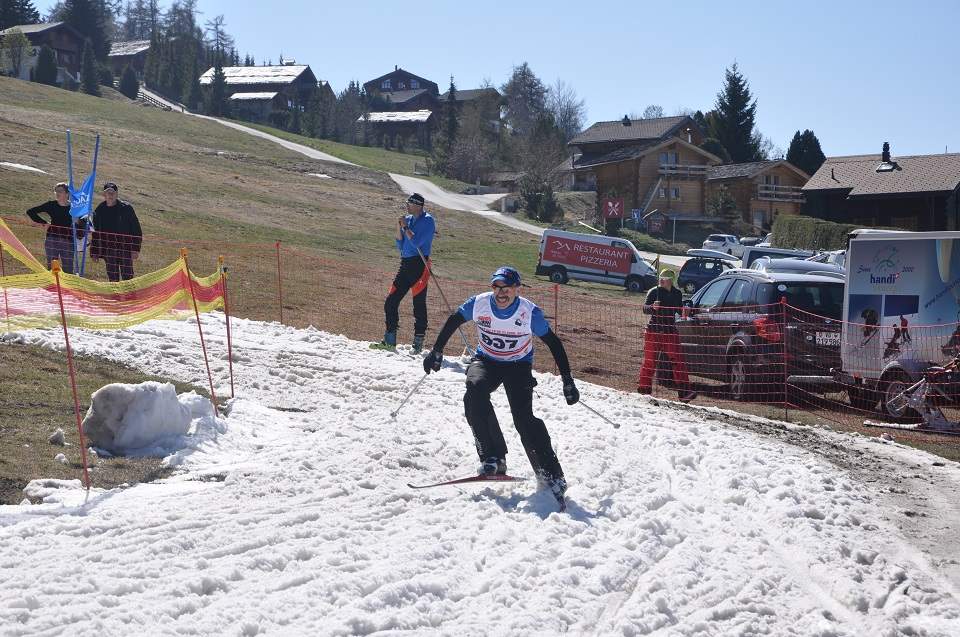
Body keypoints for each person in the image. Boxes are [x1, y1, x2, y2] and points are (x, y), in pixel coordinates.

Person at [422, 266, 579, 505]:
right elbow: (455, 319)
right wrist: (437, 351)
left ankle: (552, 475)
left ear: (517, 289)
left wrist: (567, 380)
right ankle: (493, 458)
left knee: (524, 420)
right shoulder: (480, 303)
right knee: (474, 390)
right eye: (496, 287)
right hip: (487, 360)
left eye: (506, 288)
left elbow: (554, 343)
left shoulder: (529, 313)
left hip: (518, 365)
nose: (500, 293)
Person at [374, 193, 435, 353]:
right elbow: (400, 243)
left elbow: (415, 242)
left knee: (418, 304)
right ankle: (389, 339)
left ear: (418, 205)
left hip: (419, 264)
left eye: (410, 203)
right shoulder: (408, 219)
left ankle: (418, 342)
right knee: (391, 301)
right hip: (405, 264)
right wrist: (399, 225)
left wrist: (406, 227)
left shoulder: (428, 221)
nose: (407, 205)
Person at [637, 268, 697, 402]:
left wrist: (684, 311)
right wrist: (652, 307)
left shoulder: (677, 293)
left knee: (678, 361)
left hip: (670, 331)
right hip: (653, 331)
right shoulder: (654, 291)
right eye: (661, 278)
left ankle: (684, 393)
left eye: (665, 279)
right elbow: (644, 308)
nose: (661, 281)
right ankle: (644, 391)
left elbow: (678, 310)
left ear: (671, 281)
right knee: (650, 362)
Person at [25, 182, 85, 274]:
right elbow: (30, 211)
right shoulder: (51, 205)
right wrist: (44, 223)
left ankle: (67, 288)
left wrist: (78, 221)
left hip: (68, 241)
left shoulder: (75, 207)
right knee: (52, 268)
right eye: (56, 191)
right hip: (52, 239)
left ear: (67, 193)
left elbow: (84, 225)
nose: (57, 193)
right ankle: (53, 287)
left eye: (60, 191)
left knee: (68, 269)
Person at [89, 182, 142, 282]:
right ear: (104, 195)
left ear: (117, 194)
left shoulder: (126, 208)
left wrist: (136, 248)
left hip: (125, 248)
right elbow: (95, 233)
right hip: (108, 250)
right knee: (112, 277)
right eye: (108, 193)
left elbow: (136, 229)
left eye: (112, 192)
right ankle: (116, 297)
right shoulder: (99, 210)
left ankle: (130, 296)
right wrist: (94, 252)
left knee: (128, 277)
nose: (110, 195)